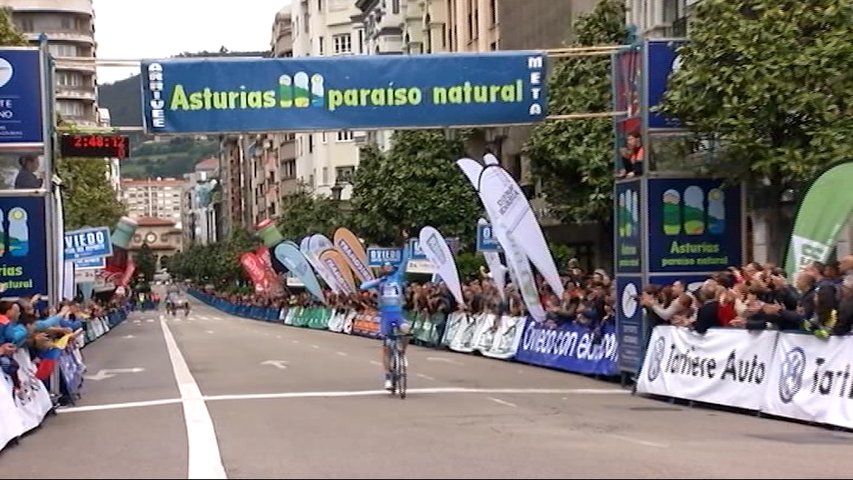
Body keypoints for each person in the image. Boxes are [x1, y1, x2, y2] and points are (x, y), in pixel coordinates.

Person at [359, 232, 412, 391]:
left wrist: (407, 244)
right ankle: (388, 377)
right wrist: (377, 281)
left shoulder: (398, 277)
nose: (388, 267)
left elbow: (405, 260)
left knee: (406, 331)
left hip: (398, 313)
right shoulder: (380, 282)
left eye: (390, 265)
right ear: (382, 269)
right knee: (386, 347)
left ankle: (402, 353)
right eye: (385, 266)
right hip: (386, 316)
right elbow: (363, 287)